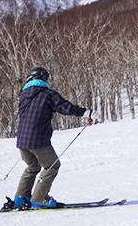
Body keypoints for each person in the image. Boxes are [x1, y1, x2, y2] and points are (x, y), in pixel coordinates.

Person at [13, 66, 89, 209]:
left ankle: (21, 198)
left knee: (32, 166)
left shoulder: (24, 95)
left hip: (22, 141)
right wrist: (87, 113)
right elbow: (67, 108)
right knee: (52, 166)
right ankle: (39, 199)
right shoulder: (48, 94)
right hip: (38, 140)